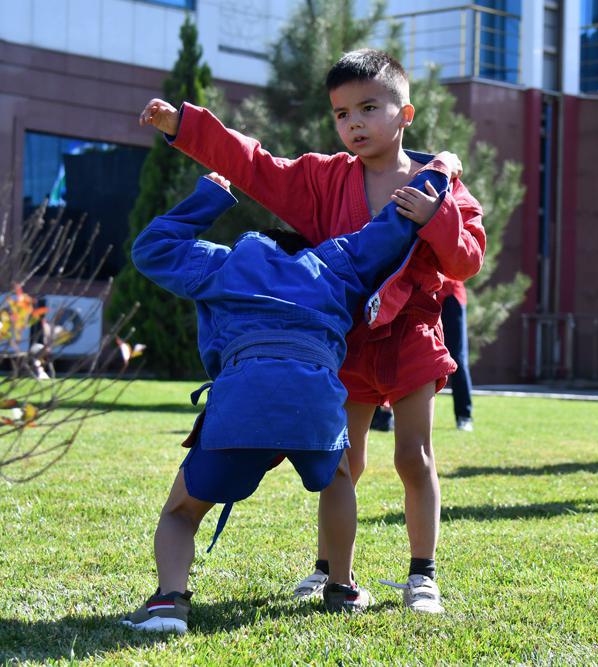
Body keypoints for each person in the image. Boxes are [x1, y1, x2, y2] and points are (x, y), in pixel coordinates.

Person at [139, 48, 484, 613]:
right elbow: (254, 166)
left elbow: (467, 261)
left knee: (413, 455)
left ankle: (422, 574)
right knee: (341, 461)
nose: (354, 123)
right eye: (342, 113)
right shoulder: (322, 179)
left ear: (406, 114)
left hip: (412, 336)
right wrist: (187, 125)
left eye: (369, 108)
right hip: (338, 343)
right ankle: (331, 572)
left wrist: (437, 217)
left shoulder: (441, 186)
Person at [122, 161, 450, 633]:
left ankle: (168, 604)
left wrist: (209, 198)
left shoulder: (223, 262)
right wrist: (438, 170)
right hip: (315, 397)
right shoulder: (335, 262)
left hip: (241, 398)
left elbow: (150, 249)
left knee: (181, 512)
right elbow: (396, 222)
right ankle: (342, 587)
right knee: (338, 478)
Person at [437, 278, 474, 431]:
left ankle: (464, 416)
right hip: (425, 291)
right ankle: (388, 416)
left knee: (457, 357)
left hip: (451, 294)